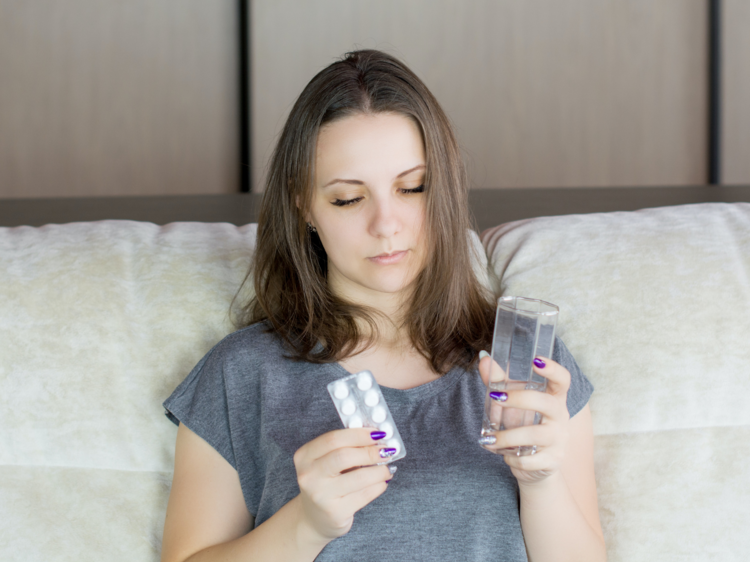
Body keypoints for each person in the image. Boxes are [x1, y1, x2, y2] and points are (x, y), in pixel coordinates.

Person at [160, 49, 606, 562]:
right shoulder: (241, 373)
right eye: (349, 198)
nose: (386, 224)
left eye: (412, 188)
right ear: (302, 202)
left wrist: (541, 482)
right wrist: (306, 526)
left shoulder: (529, 367)